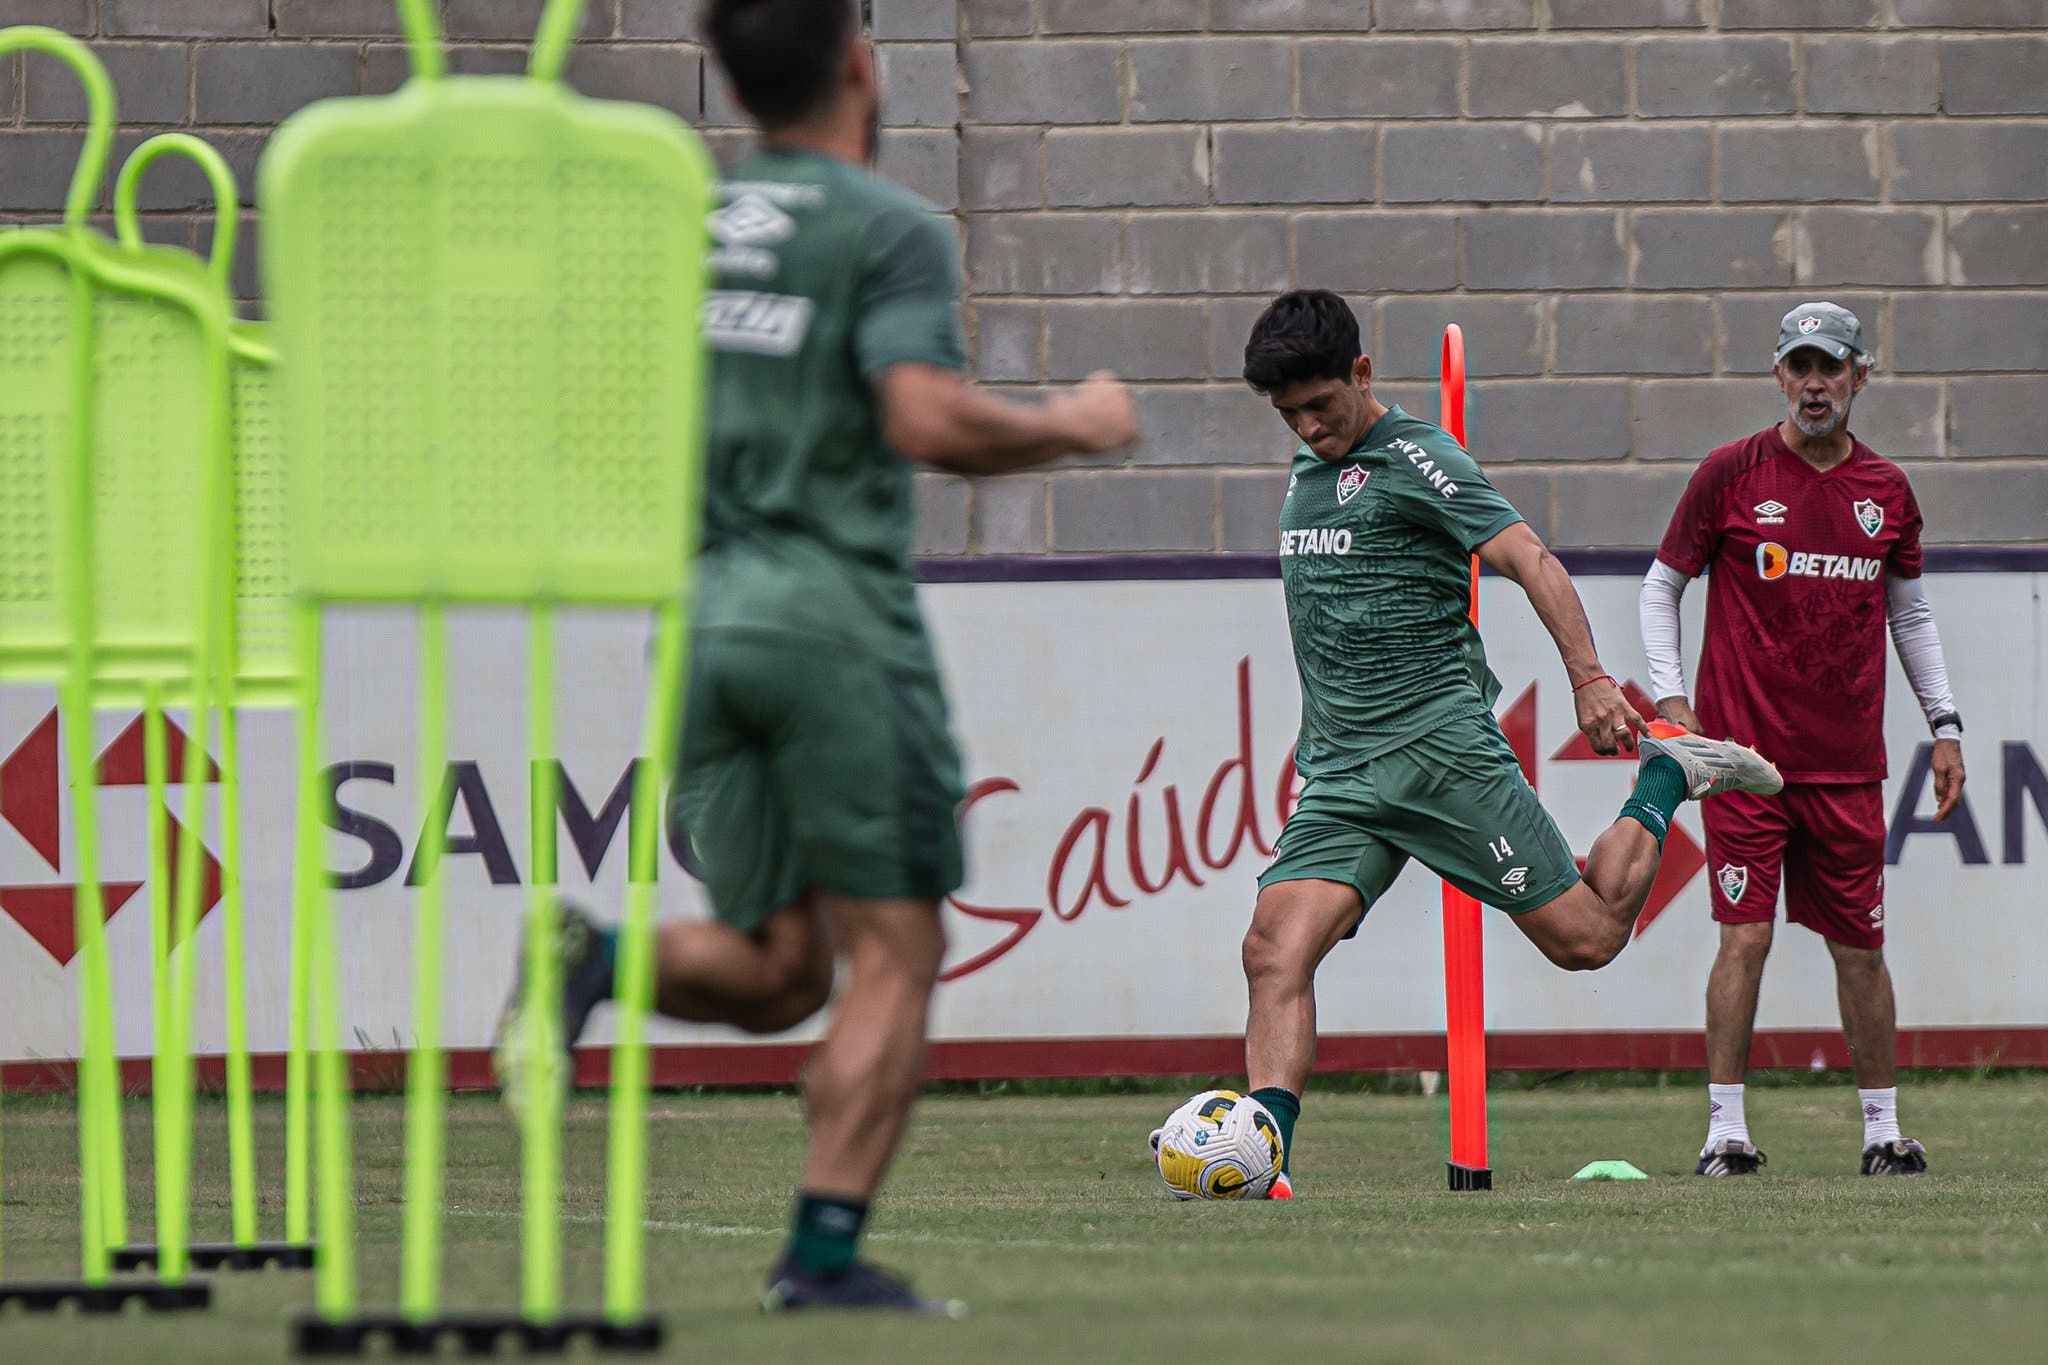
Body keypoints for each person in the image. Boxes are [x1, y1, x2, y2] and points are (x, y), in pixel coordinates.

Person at [495, 0, 1139, 1314]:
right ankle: (825, 1256)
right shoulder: (883, 226)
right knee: (897, 951)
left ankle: (595, 959)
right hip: (831, 628)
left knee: (787, 968)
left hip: (704, 624)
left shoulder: (689, 228)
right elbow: (923, 418)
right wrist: (1071, 422)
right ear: (860, 60)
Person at [1236, 290, 1783, 1197]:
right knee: (1271, 950)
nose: (1306, 426)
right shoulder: (1307, 468)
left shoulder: (1418, 456)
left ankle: (1663, 775)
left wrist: (1590, 678)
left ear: (1362, 376)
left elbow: (1531, 557)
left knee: (1589, 937)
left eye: (1321, 406)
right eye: (1287, 413)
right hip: (1340, 769)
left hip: (1441, 754)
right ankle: (1261, 1160)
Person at [1639, 302, 1964, 1178]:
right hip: (1745, 761)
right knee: (1744, 937)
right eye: (1800, 367)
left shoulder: (1887, 491)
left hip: (1849, 764)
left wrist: (1945, 723)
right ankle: (1724, 1132)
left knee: (1861, 945)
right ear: (1779, 376)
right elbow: (1662, 585)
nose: (1815, 384)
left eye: (1832, 367)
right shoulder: (1731, 473)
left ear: (1861, 376)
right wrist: (1672, 698)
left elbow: (1913, 613)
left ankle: (1882, 1132)